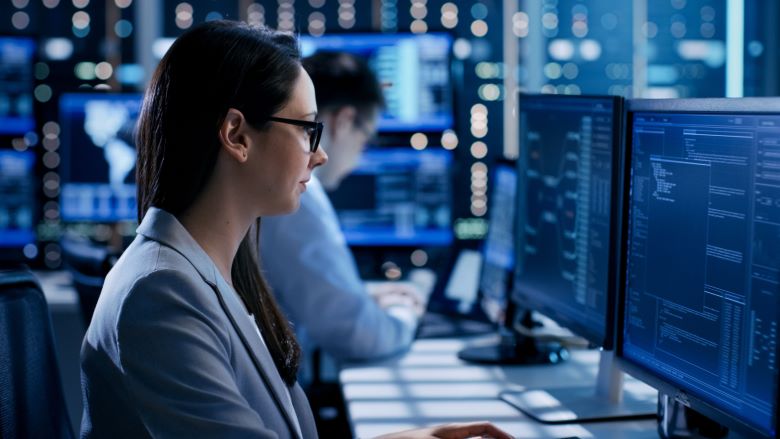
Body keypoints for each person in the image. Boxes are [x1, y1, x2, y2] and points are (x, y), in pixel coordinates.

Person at [80, 20, 510, 439]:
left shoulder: (211, 270)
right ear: (237, 135)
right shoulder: (161, 293)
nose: (319, 155)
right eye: (307, 129)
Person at [260, 52, 423, 382]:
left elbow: (300, 288)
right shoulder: (297, 198)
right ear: (344, 120)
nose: (360, 158)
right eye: (366, 139)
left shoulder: (278, 188)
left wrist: (362, 292)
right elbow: (359, 335)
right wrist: (407, 311)